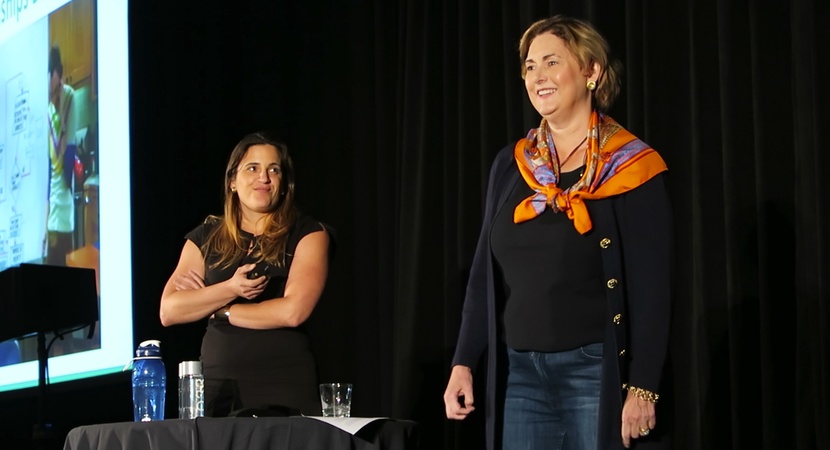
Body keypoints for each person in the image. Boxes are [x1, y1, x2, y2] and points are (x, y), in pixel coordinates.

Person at [443, 15, 673, 450]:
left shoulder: (631, 166)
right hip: (520, 375)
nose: (538, 77)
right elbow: (483, 276)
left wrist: (642, 388)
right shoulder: (512, 165)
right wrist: (463, 363)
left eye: (552, 62)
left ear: (591, 72)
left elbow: (653, 289)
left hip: (594, 372)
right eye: (530, 66)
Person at [160, 131, 331, 417]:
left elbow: (293, 312)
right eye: (252, 168)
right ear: (232, 181)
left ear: (284, 185)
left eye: (273, 170)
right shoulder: (205, 237)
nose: (263, 178)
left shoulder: (308, 233)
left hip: (285, 381)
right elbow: (169, 310)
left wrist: (217, 309)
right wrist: (230, 288)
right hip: (219, 385)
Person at [46, 44, 76, 265]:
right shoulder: (46, 107)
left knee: (64, 264)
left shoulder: (69, 98)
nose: (52, 92)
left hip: (64, 203)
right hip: (50, 206)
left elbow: (71, 146)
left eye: (55, 85)